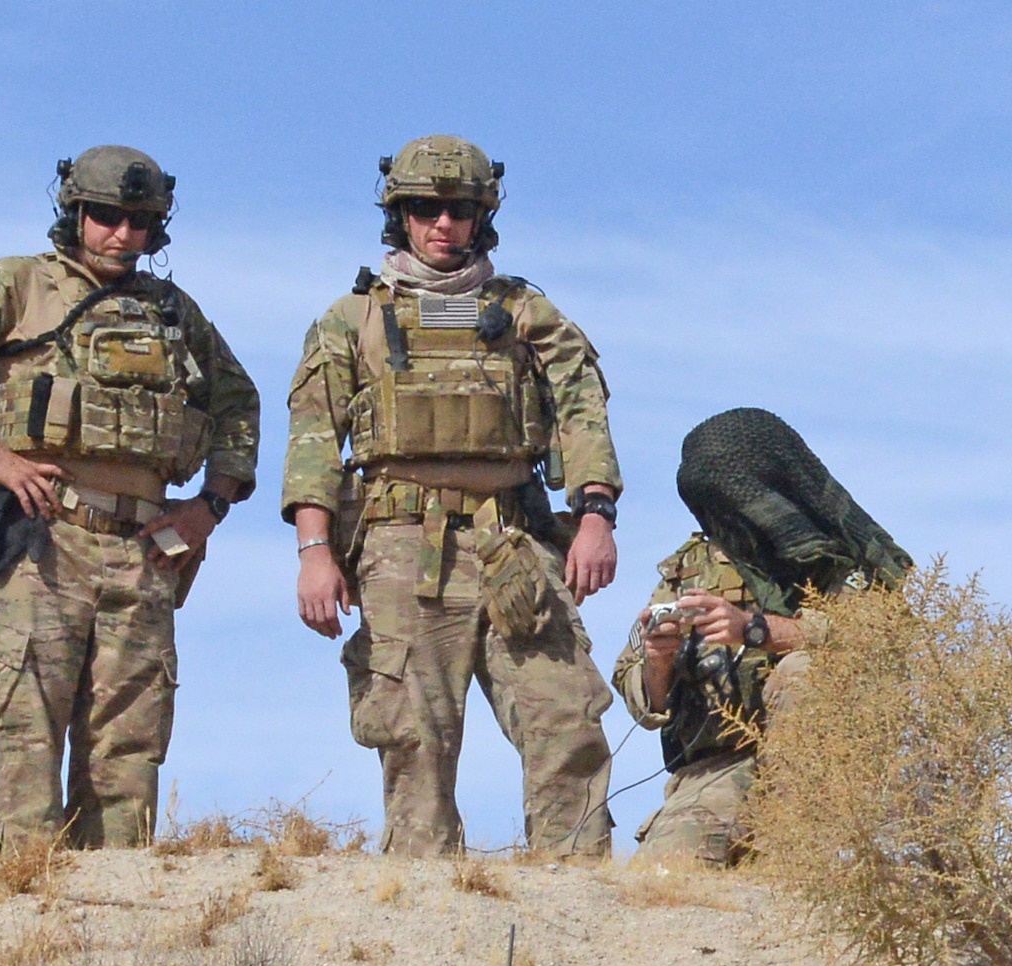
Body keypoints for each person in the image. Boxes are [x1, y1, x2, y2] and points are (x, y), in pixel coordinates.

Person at [0, 145, 260, 850]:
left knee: (130, 736)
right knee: (28, 718)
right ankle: (23, 894)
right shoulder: (18, 286)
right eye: (107, 217)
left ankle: (118, 908)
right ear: (76, 213)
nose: (122, 234)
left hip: (147, 550)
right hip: (45, 538)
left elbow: (239, 402)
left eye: (139, 222)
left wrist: (207, 508)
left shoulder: (174, 312)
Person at [283, 134, 622, 858]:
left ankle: (583, 902)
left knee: (567, 719)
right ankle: (424, 905)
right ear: (400, 214)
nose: (444, 223)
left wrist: (596, 518)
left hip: (515, 543)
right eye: (427, 208)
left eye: (461, 209)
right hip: (403, 545)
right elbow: (313, 439)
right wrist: (315, 552)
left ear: (482, 215)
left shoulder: (528, 311)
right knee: (414, 738)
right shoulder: (353, 319)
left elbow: (584, 411)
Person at [612, 408, 912, 866]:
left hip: (833, 777)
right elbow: (644, 699)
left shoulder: (842, 562)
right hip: (717, 769)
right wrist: (658, 659)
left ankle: (791, 854)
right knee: (666, 875)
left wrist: (755, 629)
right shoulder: (690, 572)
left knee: (804, 672)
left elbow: (880, 637)